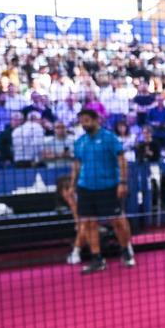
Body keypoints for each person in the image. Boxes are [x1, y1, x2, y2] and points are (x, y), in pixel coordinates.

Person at [70, 108, 135, 273]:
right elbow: (77, 165)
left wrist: (122, 182)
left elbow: (122, 160)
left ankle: (126, 251)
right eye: (82, 121)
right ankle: (97, 259)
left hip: (109, 187)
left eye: (87, 120)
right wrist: (72, 186)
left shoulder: (109, 138)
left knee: (118, 221)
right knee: (89, 223)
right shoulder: (80, 142)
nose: (84, 124)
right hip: (85, 188)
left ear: (96, 120)